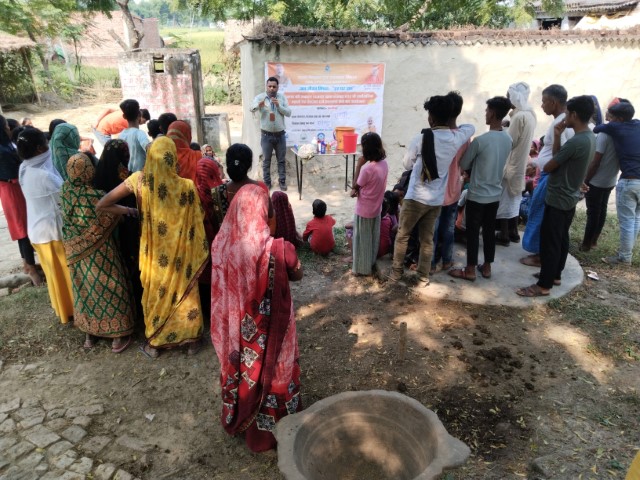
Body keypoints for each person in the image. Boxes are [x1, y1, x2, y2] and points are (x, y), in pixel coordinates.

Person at [210, 182, 303, 452]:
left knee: (245, 372)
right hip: (273, 331)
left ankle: (243, 416)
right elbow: (298, 273)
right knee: (277, 371)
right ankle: (277, 427)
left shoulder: (221, 246)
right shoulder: (279, 250)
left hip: (237, 334)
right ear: (264, 214)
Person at [96, 137, 208, 358]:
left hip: (154, 256)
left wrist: (131, 211)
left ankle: (156, 343)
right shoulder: (186, 186)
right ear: (172, 157)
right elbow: (199, 217)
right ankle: (192, 342)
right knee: (187, 291)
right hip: (183, 254)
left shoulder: (138, 180)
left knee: (156, 293)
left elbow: (103, 204)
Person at [390, 95, 475, 286]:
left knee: (403, 235)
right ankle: (422, 277)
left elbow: (407, 164)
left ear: (431, 118)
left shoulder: (421, 139)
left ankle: (396, 274)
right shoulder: (456, 138)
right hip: (436, 200)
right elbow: (470, 127)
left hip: (415, 197)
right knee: (427, 240)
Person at [517, 95, 595, 297]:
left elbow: (550, 165)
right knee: (560, 237)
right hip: (569, 195)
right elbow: (562, 160)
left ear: (574, 115)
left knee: (550, 241)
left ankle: (543, 285)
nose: (564, 117)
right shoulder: (589, 137)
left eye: (567, 113)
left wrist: (555, 147)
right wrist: (558, 136)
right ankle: (555, 275)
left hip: (559, 196)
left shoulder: (576, 142)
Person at [61, 153, 134, 352]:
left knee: (84, 289)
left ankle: (90, 333)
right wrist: (130, 211)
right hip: (100, 252)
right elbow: (112, 214)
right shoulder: (94, 196)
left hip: (74, 251)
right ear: (89, 171)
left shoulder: (65, 191)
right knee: (109, 285)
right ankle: (117, 333)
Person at [449, 96, 513, 281]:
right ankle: (487, 267)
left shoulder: (480, 141)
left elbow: (464, 163)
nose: (485, 114)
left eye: (486, 111)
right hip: (495, 194)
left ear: (492, 113)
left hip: (477, 194)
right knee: (489, 231)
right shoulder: (508, 139)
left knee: (473, 232)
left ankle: (469, 269)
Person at [16, 128, 73, 324]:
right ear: (40, 149)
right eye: (46, 144)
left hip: (37, 231)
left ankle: (63, 310)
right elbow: (66, 200)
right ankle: (73, 310)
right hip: (52, 233)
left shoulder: (24, 168)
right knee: (65, 274)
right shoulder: (45, 176)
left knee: (54, 275)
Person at [521, 85, 574, 268]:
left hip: (551, 176)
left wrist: (540, 165)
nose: (542, 105)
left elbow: (561, 155)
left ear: (553, 102)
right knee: (538, 211)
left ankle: (541, 255)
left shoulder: (561, 124)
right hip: (547, 173)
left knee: (542, 214)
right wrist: (536, 164)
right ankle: (539, 252)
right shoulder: (560, 121)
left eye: (544, 102)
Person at [94, 139, 143, 321]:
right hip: (128, 229)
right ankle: (137, 307)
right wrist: (131, 212)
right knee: (133, 266)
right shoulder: (129, 178)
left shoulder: (97, 178)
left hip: (106, 234)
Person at [594, 100, 640, 265]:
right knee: (636, 219)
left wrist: (609, 123)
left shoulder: (615, 127)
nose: (609, 119)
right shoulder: (637, 124)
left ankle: (624, 257)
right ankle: (627, 253)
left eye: (612, 116)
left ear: (619, 119)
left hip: (629, 182)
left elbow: (596, 129)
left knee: (627, 221)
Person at [0, 115, 42, 285]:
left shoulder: (7, 145)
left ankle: (27, 263)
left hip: (15, 188)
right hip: (12, 189)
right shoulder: (2, 151)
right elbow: (12, 172)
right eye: (6, 126)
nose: (8, 128)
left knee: (23, 226)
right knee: (23, 229)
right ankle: (31, 268)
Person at [431, 91, 470, 273]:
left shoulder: (438, 136)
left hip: (437, 190)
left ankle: (431, 263)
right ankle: (447, 260)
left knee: (433, 229)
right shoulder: (464, 136)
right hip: (454, 188)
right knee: (448, 228)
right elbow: (465, 164)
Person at [495, 82, 537, 246]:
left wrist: (500, 130)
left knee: (505, 200)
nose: (507, 99)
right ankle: (513, 232)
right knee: (514, 200)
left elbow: (509, 142)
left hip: (511, 164)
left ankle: (504, 235)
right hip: (520, 164)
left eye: (509, 96)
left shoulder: (519, 117)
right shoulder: (530, 114)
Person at [580, 99, 623, 252]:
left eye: (609, 113)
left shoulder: (604, 134)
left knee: (593, 213)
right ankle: (594, 241)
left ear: (616, 117)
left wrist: (586, 180)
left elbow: (595, 162)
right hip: (610, 180)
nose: (606, 115)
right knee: (601, 210)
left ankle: (586, 244)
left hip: (597, 181)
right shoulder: (622, 133)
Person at [211, 144, 274, 231]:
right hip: (256, 239)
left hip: (224, 239)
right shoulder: (260, 187)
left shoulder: (216, 192)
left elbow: (214, 224)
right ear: (249, 165)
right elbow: (270, 215)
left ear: (228, 163)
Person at [350, 132, 389, 276]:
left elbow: (355, 186)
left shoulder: (367, 169)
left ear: (366, 149)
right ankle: (370, 263)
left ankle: (361, 269)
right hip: (376, 208)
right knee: (371, 239)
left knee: (362, 241)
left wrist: (359, 165)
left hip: (364, 210)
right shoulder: (384, 164)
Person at [250, 77, 292, 191]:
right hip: (266, 136)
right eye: (269, 86)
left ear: (277, 87)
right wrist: (259, 105)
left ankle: (282, 182)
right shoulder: (260, 97)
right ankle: (267, 183)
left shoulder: (282, 98)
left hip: (280, 135)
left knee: (281, 160)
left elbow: (289, 113)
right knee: (266, 161)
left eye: (274, 86)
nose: (272, 88)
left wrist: (279, 106)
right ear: (266, 86)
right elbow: (251, 108)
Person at [118, 99, 150, 173]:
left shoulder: (121, 135)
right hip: (140, 174)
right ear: (139, 115)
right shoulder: (140, 133)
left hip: (128, 174)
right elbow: (148, 148)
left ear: (124, 116)